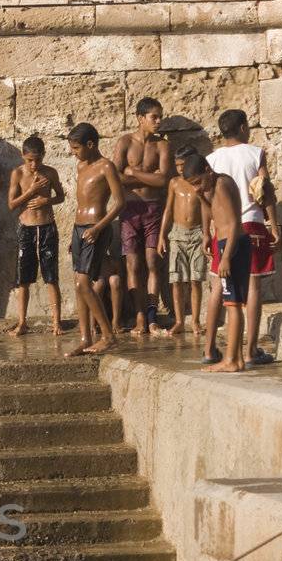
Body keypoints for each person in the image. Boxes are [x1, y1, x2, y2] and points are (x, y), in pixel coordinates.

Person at [204, 109, 279, 366]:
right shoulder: (254, 153)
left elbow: (206, 200)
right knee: (253, 286)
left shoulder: (211, 159)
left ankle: (209, 348)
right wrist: (275, 225)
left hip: (222, 229)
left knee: (217, 285)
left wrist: (207, 232)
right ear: (244, 127)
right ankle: (250, 350)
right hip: (251, 225)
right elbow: (263, 190)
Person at [180, 150, 251, 373]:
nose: (196, 188)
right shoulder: (211, 186)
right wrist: (206, 233)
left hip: (233, 246)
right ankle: (236, 359)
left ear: (208, 171)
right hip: (224, 244)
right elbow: (208, 208)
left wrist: (226, 258)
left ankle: (231, 360)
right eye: (192, 185)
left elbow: (233, 225)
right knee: (232, 303)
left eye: (198, 182)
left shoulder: (221, 185)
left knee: (233, 305)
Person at [64, 123, 128, 356]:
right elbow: (81, 202)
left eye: (76, 147)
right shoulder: (81, 166)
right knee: (78, 285)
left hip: (96, 228)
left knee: (84, 283)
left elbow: (120, 203)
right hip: (79, 228)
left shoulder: (106, 167)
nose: (73, 152)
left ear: (91, 144)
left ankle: (108, 335)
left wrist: (99, 228)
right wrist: (75, 234)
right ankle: (85, 337)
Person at [112, 98, 173, 337]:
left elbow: (163, 180)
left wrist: (134, 172)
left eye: (160, 117)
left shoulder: (162, 146)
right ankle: (139, 315)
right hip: (129, 210)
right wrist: (149, 176)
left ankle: (151, 317)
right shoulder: (125, 142)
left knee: (152, 263)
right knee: (133, 265)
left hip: (153, 209)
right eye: (154, 117)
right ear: (140, 118)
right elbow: (116, 176)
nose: (158, 121)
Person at [8, 134, 66, 337]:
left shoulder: (50, 173)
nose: (34, 164)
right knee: (23, 279)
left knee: (51, 277)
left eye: (38, 159)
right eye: (29, 160)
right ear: (23, 157)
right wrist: (31, 191)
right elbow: (12, 204)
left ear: (43, 156)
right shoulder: (17, 174)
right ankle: (22, 322)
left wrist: (46, 201)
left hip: (47, 227)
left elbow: (61, 196)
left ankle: (56, 322)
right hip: (26, 228)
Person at [154, 148, 207, 337]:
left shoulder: (198, 184)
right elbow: (168, 209)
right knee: (176, 280)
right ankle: (178, 320)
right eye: (176, 166)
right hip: (176, 233)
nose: (179, 169)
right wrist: (161, 236)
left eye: (183, 166)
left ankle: (195, 321)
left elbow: (207, 209)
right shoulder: (174, 183)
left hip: (197, 234)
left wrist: (208, 234)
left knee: (195, 280)